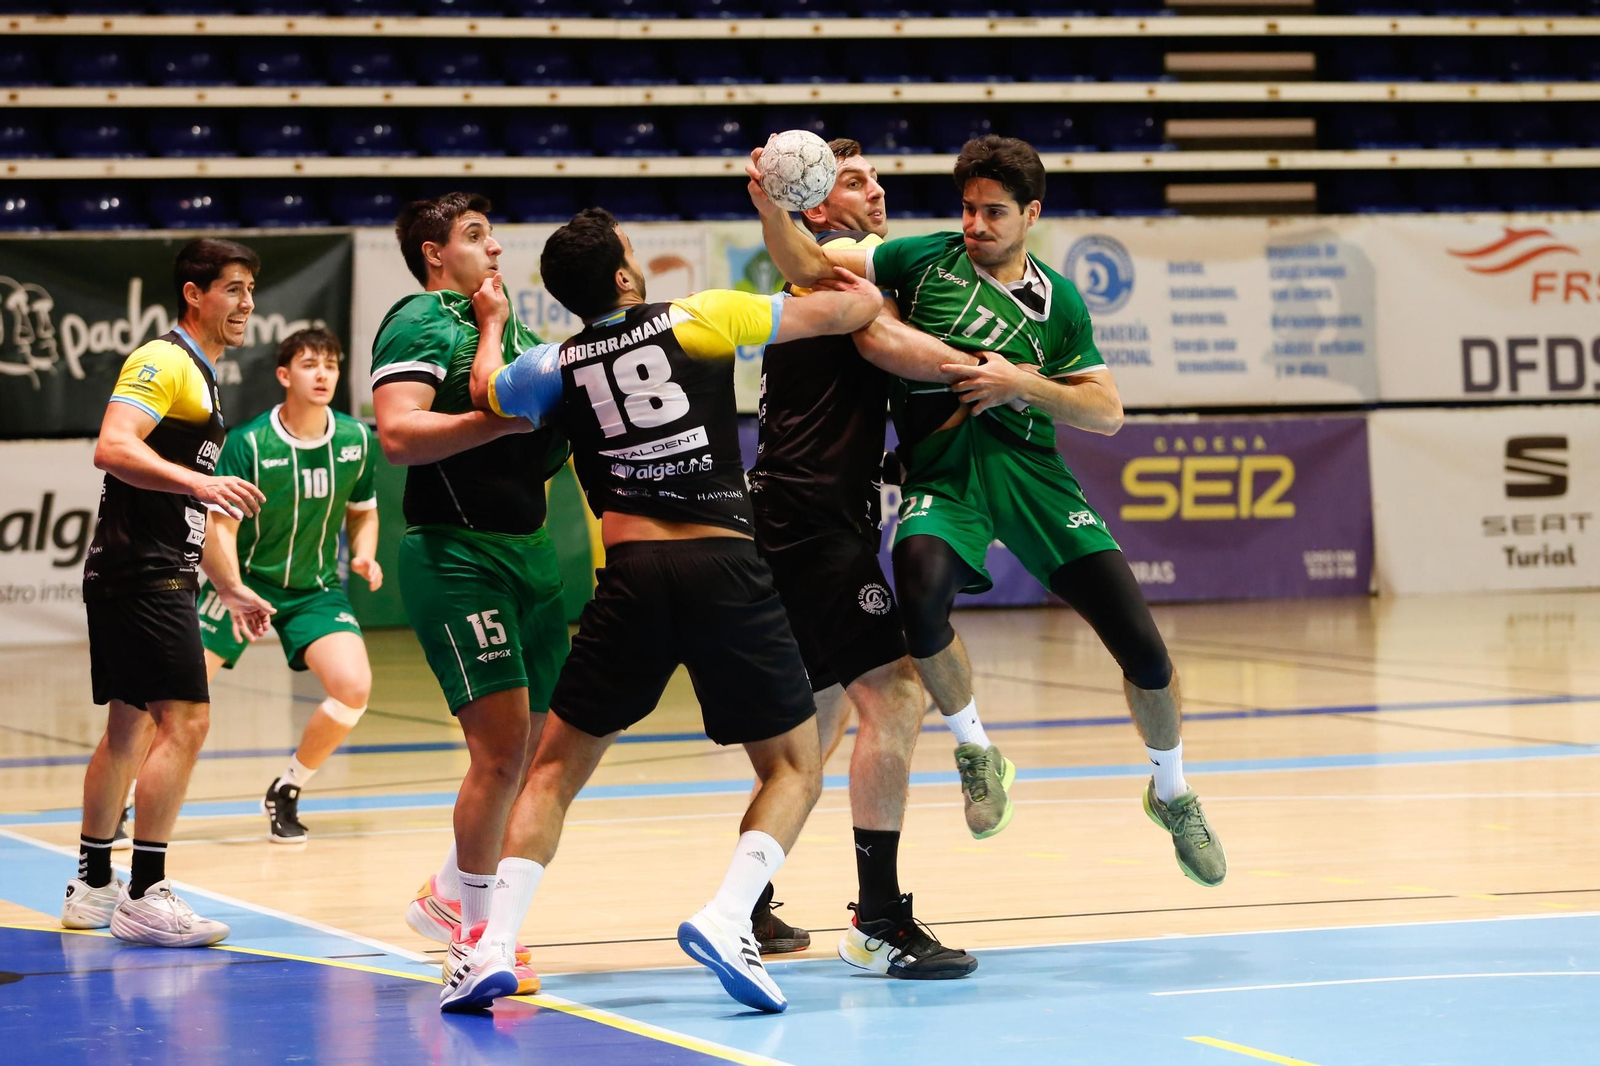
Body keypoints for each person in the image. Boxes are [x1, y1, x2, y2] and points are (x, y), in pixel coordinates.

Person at [749, 136, 1227, 889]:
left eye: (994, 212)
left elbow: (1106, 412)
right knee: (918, 585)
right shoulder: (915, 259)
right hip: (945, 479)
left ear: (1030, 214)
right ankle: (976, 749)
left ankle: (1172, 792)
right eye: (968, 209)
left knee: (1143, 650)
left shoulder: (1060, 300)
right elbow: (808, 266)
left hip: (1036, 479)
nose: (976, 224)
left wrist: (1022, 384)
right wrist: (768, 205)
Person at [440, 207, 880, 1015]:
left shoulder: (554, 363)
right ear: (621, 276)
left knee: (551, 775)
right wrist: (834, 250)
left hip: (633, 575)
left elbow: (483, 388)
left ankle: (490, 947)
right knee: (792, 767)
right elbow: (847, 308)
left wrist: (494, 322)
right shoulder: (701, 315)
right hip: (723, 566)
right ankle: (726, 916)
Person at [749, 137, 979, 978]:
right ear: (817, 205)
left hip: (792, 511)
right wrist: (989, 371)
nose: (877, 191)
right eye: (854, 180)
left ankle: (747, 900)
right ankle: (878, 918)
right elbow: (885, 342)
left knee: (820, 726)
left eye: (877, 176)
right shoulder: (841, 260)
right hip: (812, 522)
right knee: (898, 694)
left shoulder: (831, 275)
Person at [370, 192, 571, 995]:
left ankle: (449, 893)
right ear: (432, 254)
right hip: (456, 556)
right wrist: (503, 420)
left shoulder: (518, 335)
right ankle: (475, 939)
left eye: (492, 234)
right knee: (498, 753)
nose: (494, 249)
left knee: (549, 750)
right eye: (474, 236)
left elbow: (538, 442)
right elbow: (397, 434)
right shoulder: (422, 319)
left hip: (532, 554)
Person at [62, 238, 276, 947]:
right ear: (195, 293)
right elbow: (113, 445)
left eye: (251, 290)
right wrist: (198, 480)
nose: (248, 304)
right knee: (185, 720)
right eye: (235, 289)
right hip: (142, 572)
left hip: (147, 570)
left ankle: (95, 885)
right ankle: (147, 893)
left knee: (131, 727)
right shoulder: (163, 360)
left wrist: (234, 587)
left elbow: (196, 511)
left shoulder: (205, 377)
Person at [194, 327, 381, 844]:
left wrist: (364, 555)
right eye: (309, 364)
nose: (322, 374)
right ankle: (129, 798)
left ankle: (289, 787)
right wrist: (231, 589)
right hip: (244, 581)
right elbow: (221, 528)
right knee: (179, 695)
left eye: (331, 365)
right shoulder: (249, 443)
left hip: (315, 589)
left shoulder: (356, 439)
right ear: (284, 375)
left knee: (353, 688)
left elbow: (363, 513)